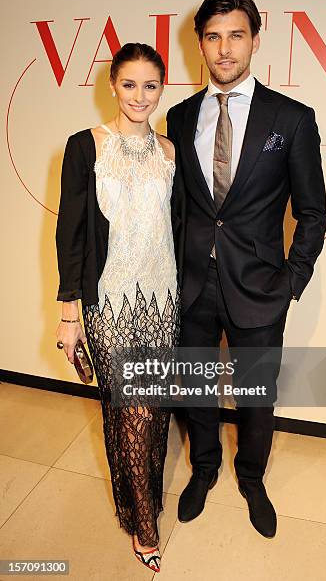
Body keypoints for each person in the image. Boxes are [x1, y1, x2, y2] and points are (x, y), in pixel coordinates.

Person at [168, 0, 326, 538]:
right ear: (200, 45)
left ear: (255, 41)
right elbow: (183, 207)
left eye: (236, 35)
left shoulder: (292, 118)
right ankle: (204, 468)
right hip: (191, 283)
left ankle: (252, 478)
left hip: (260, 286)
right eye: (213, 37)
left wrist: (291, 281)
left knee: (257, 395)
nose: (224, 48)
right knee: (196, 387)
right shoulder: (180, 114)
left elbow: (312, 212)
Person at [55, 43, 179, 573]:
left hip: (163, 300)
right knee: (127, 411)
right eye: (129, 84)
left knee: (152, 415)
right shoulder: (86, 146)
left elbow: (180, 229)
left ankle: (136, 502)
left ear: (160, 89)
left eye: (150, 86)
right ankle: (146, 529)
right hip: (108, 304)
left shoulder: (171, 152)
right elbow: (70, 233)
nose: (139, 96)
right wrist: (69, 314)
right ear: (112, 86)